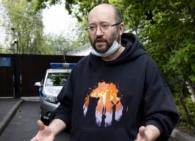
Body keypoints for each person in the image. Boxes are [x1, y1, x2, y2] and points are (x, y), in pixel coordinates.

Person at [31, 3, 179, 141]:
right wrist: (51, 130)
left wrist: (148, 135)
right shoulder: (81, 68)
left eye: (105, 26)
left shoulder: (145, 66)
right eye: (92, 27)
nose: (98, 33)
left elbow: (162, 113)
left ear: (120, 29)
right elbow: (67, 108)